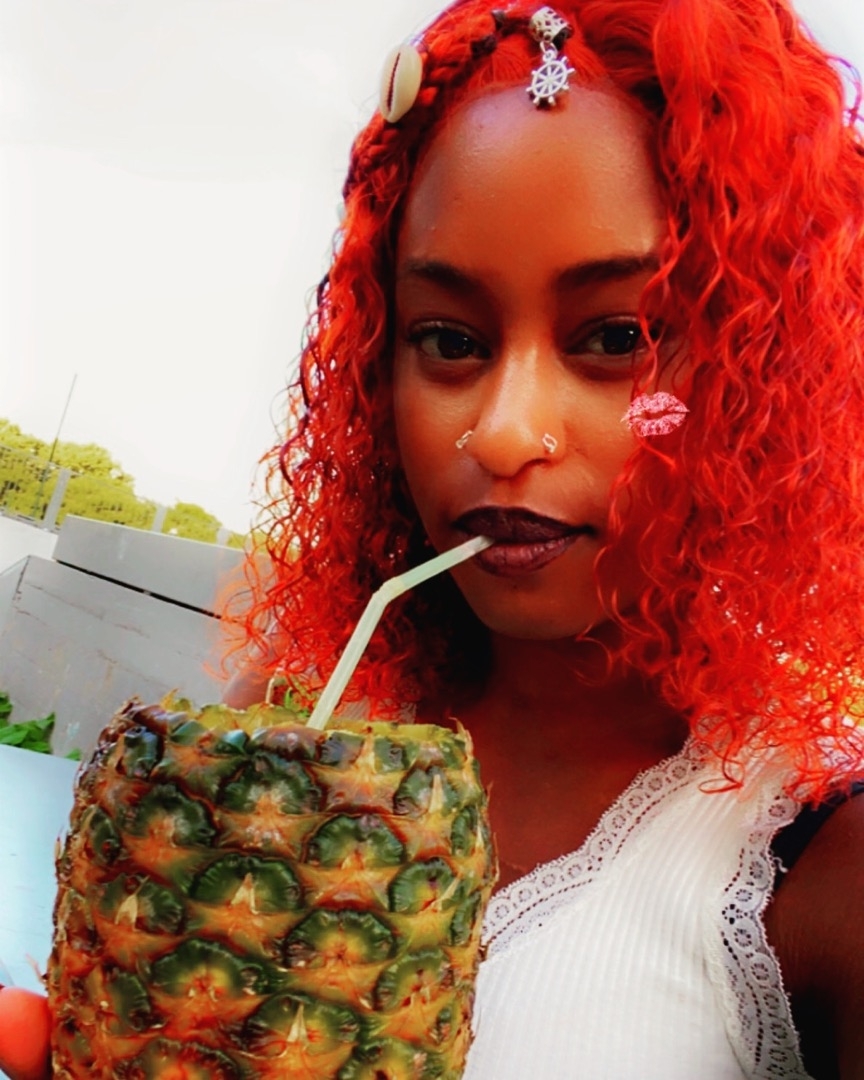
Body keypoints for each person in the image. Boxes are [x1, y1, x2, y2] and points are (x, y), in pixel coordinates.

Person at [2, 0, 863, 1077]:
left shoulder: (822, 859)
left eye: (618, 336)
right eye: (450, 340)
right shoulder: (290, 728)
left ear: (766, 373)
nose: (501, 434)